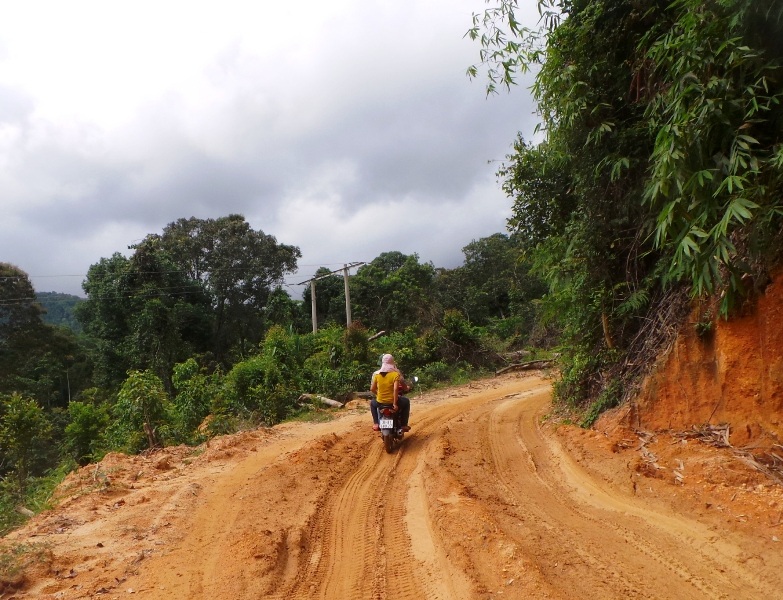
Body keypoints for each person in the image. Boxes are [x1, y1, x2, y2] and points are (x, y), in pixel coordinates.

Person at [369, 353, 411, 432]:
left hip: (380, 401)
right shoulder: (396, 374)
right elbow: (396, 389)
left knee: (372, 403)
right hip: (392, 401)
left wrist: (378, 394)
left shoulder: (377, 375)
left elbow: (372, 388)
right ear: (392, 362)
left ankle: (376, 423)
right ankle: (404, 424)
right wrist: (394, 403)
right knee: (406, 402)